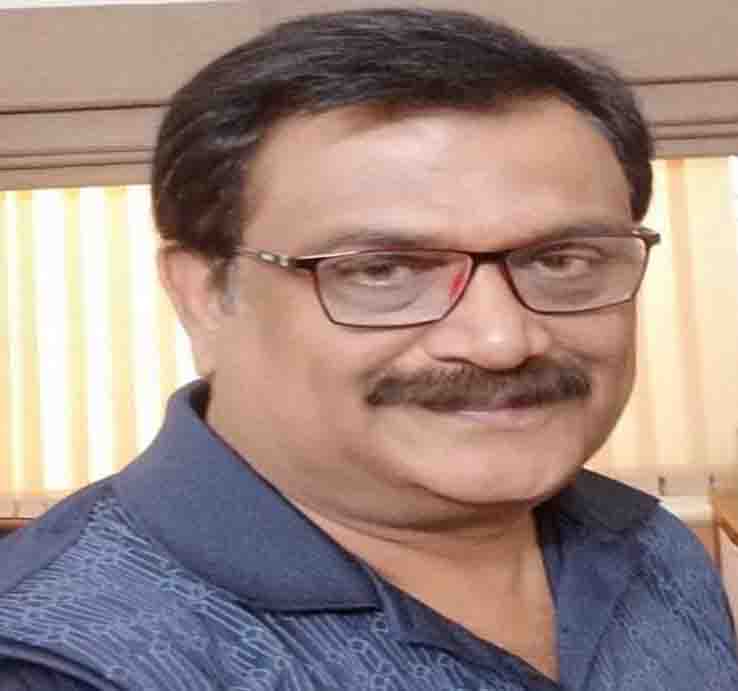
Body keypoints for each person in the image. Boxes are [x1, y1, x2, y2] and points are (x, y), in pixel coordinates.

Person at [0, 7, 736, 690]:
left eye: (562, 259)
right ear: (204, 296)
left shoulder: (653, 543)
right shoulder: (55, 662)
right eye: (383, 271)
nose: (500, 340)